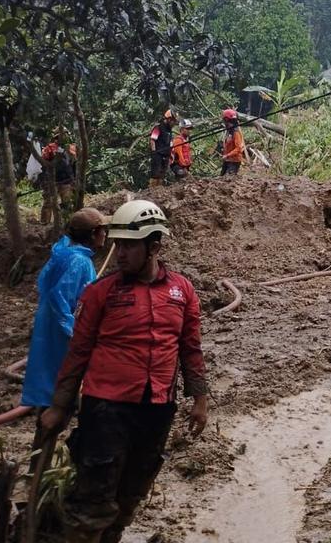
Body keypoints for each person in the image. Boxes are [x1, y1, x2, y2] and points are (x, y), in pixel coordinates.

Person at [39, 200, 209, 543]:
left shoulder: (182, 291)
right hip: (107, 410)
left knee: (131, 493)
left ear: (154, 247)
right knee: (92, 498)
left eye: (129, 246)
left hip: (158, 408)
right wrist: (59, 406)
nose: (120, 254)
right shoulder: (101, 293)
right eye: (118, 245)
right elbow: (79, 352)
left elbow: (190, 348)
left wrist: (200, 399)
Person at [21, 208, 108, 417]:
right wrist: (74, 331)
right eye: (103, 230)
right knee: (63, 385)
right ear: (93, 233)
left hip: (49, 327)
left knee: (51, 382)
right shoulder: (79, 262)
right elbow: (62, 298)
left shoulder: (63, 253)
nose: (106, 235)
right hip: (63, 332)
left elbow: (44, 285)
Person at [39, 132, 76, 225]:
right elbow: (44, 162)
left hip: (66, 180)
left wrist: (73, 179)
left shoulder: (71, 148)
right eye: (60, 137)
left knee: (66, 202)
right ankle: (44, 223)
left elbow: (74, 163)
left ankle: (67, 221)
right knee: (49, 202)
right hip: (52, 180)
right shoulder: (50, 148)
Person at [148, 110, 175, 187]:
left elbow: (170, 142)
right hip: (158, 154)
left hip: (166, 155)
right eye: (173, 121)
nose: (174, 124)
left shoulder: (169, 130)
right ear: (169, 119)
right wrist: (154, 152)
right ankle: (152, 189)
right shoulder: (159, 127)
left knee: (162, 174)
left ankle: (159, 189)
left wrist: (171, 154)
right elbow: (153, 139)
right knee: (155, 173)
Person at [220, 108, 246, 176]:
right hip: (227, 160)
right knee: (221, 178)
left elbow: (239, 149)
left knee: (228, 179)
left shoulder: (236, 132)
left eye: (224, 120)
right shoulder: (229, 131)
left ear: (226, 119)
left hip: (234, 161)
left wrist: (227, 155)